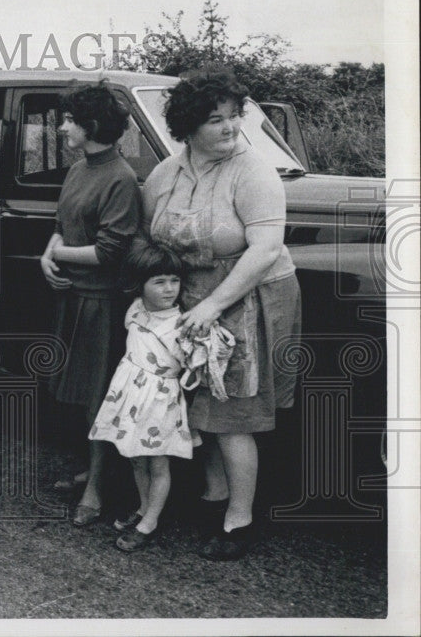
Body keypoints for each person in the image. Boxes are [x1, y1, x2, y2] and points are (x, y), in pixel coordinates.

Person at [141, 67, 301, 561]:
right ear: (188, 126)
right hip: (192, 303)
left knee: (234, 414)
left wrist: (213, 304)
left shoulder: (254, 171)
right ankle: (213, 498)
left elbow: (266, 248)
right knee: (201, 408)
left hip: (247, 298)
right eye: (216, 120)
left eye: (235, 117)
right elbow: (154, 243)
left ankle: (240, 519)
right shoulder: (165, 174)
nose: (231, 128)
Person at [39, 82, 141, 527]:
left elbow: (108, 252)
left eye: (69, 121)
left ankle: (98, 489)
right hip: (71, 299)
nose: (62, 128)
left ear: (92, 126)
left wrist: (56, 255)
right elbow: (63, 225)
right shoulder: (80, 168)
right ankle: (93, 471)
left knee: (100, 399)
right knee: (82, 398)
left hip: (100, 306)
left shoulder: (120, 178)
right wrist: (49, 251)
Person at [89, 240, 194, 552]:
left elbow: (191, 367)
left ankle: (151, 520)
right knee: (136, 459)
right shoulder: (135, 309)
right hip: (130, 394)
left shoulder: (183, 323)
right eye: (159, 281)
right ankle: (143, 507)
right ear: (140, 283)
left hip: (160, 398)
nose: (169, 289)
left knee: (159, 462)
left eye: (174, 281)